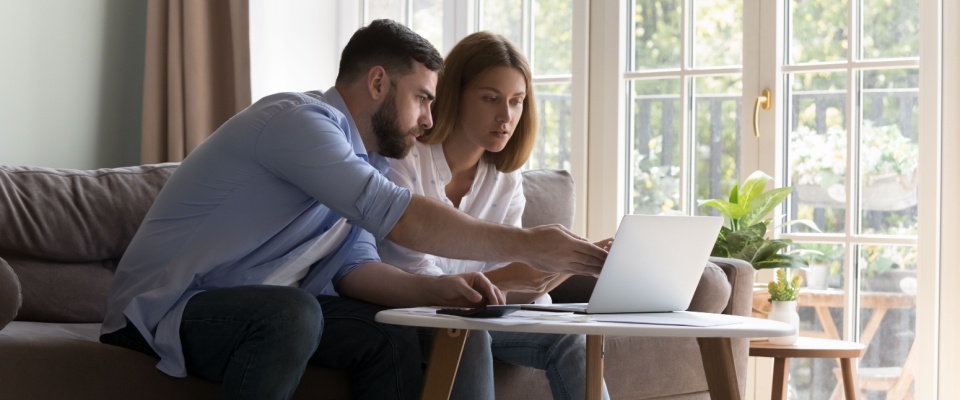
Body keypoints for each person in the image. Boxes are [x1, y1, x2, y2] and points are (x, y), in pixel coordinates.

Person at [99, 19, 607, 400]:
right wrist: (529, 244)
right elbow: (400, 216)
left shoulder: (372, 164)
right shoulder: (298, 123)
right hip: (167, 310)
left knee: (400, 329)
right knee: (292, 311)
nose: (429, 120)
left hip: (263, 310)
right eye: (421, 100)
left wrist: (438, 292)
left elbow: (355, 269)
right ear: (379, 83)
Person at [378, 32, 611, 400]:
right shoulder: (403, 161)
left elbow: (512, 284)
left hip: (481, 316)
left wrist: (568, 265)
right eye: (491, 99)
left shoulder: (503, 178)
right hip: (413, 315)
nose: (506, 116)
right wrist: (509, 276)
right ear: (453, 95)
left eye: (517, 102)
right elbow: (417, 280)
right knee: (466, 335)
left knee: (569, 336)